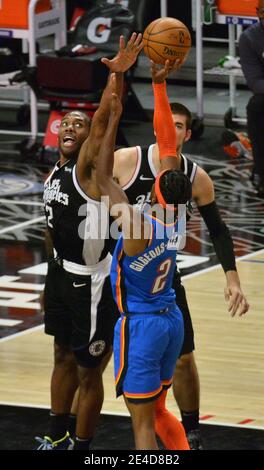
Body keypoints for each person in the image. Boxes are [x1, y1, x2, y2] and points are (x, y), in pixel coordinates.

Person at [113, 77, 250, 451]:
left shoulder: (192, 177)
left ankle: (190, 431)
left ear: (187, 134)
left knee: (180, 367)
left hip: (153, 285)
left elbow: (219, 231)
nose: (169, 131)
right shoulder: (129, 160)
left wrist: (232, 277)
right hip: (133, 281)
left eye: (177, 126)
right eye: (165, 123)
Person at [36, 33, 143, 450]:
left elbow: (102, 119)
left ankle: (83, 445)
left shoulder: (87, 169)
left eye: (78, 125)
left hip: (92, 285)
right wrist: (51, 272)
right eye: (66, 123)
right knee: (61, 355)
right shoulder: (55, 171)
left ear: (86, 140)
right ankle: (57, 430)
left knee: (87, 370)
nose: (71, 127)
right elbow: (50, 226)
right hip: (62, 276)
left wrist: (115, 76)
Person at [96, 66, 191, 450]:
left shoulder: (138, 225)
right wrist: (159, 84)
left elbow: (102, 178)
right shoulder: (175, 215)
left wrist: (113, 119)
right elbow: (167, 140)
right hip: (171, 320)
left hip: (143, 327)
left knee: (142, 427)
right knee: (158, 411)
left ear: (156, 188)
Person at [239, 0, 264, 197]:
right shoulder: (249, 38)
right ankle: (262, 172)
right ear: (258, 13)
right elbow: (255, 82)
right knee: (256, 106)